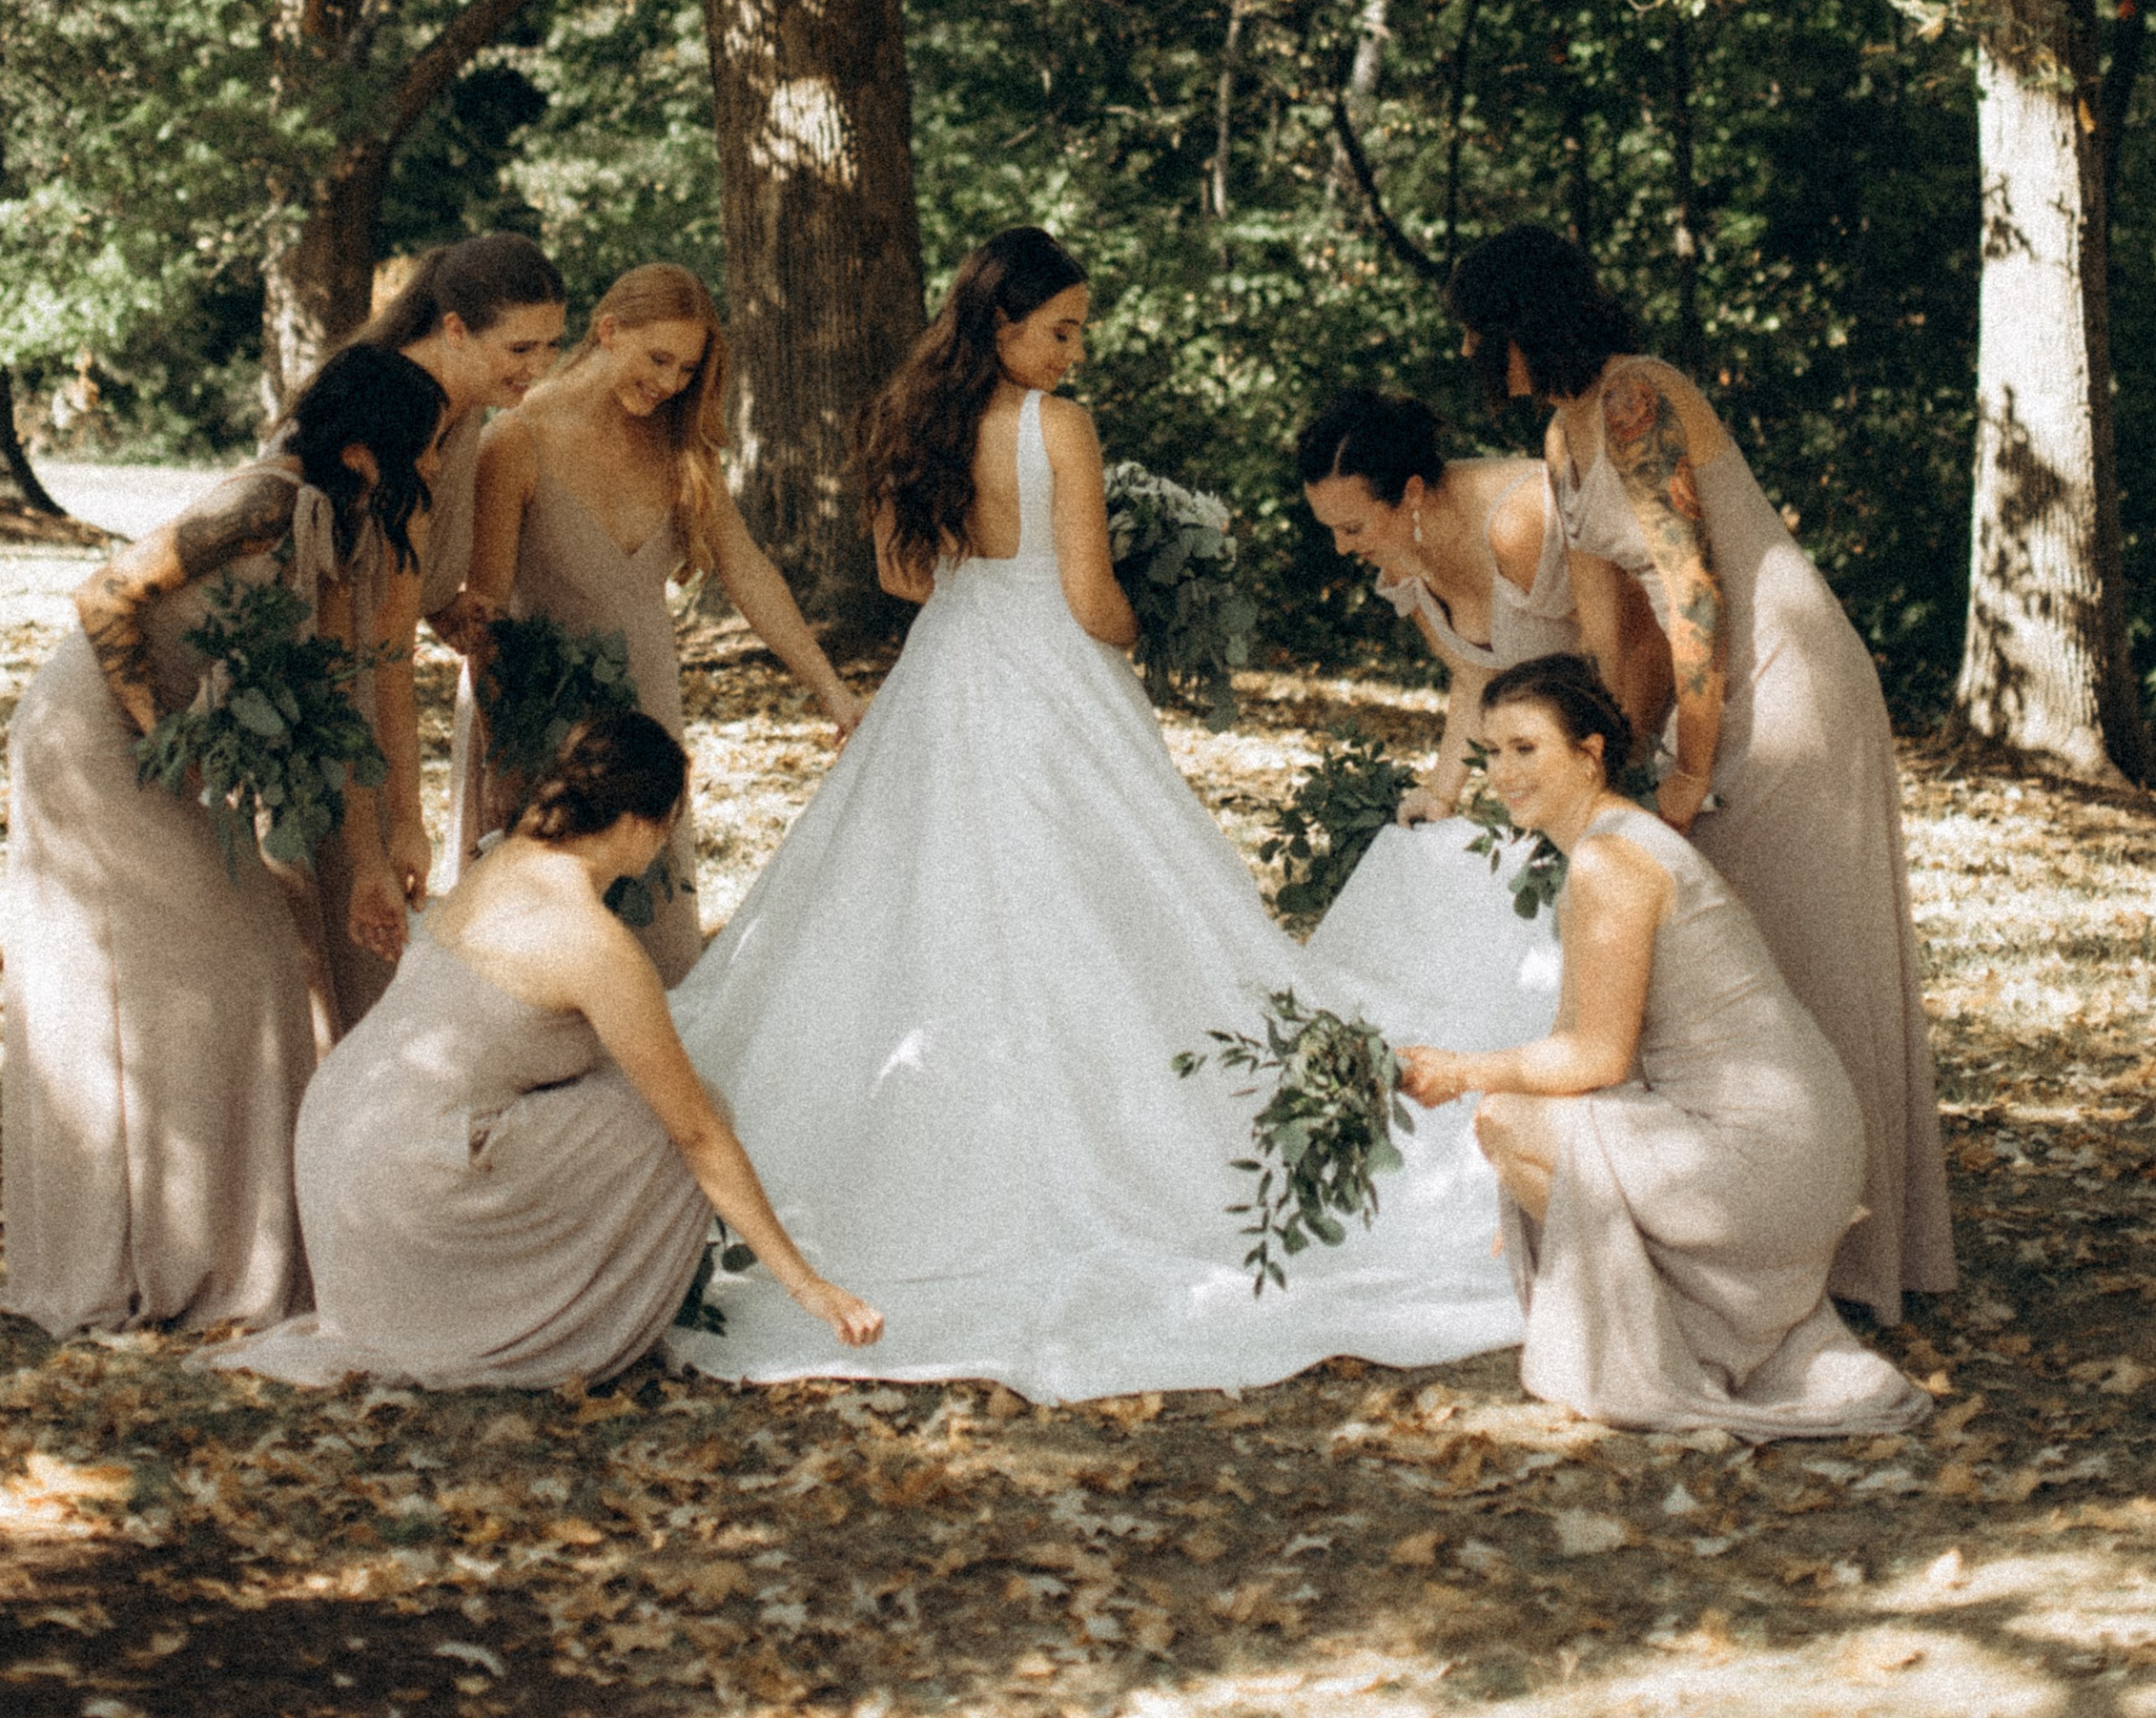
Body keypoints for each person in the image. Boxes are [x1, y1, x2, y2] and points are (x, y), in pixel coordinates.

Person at [660, 226, 1528, 1403]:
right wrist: (1144, 623)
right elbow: (1086, 595)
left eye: (1079, 328)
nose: (1074, 350)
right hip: (1050, 674)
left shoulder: (910, 418)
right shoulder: (1055, 428)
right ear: (1001, 323)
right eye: (1059, 327)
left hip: (949, 667)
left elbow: (908, 582)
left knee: (919, 903)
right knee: (1122, 900)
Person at [1445, 223, 1955, 1319]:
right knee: (1728, 959)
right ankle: (1758, 1247)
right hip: (1700, 693)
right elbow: (1608, 637)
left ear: (1525, 322)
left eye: (1483, 334)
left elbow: (1693, 593)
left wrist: (1684, 775)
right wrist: (1595, 779)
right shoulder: (1562, 436)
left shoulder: (1638, 395)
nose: (1479, 357)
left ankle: (1855, 1266)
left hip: (1784, 680)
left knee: (1814, 950)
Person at [213, 711, 881, 1389]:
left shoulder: (502, 857)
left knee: (622, 1098)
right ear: (639, 824)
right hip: (408, 1179)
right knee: (691, 1111)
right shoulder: (594, 942)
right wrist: (807, 1285)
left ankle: (499, 1289)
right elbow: (699, 1136)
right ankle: (556, 1317)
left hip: (335, 1135)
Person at [0, 344, 444, 1338]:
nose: (430, 468)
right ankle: (155, 1250)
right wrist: (165, 735)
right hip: (96, 735)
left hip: (168, 744)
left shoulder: (335, 525)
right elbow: (106, 594)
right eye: (423, 446)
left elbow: (340, 686)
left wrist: (369, 851)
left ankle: (220, 1241)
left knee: (254, 969)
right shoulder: (263, 501)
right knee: (223, 964)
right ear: (370, 443)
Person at [1399, 657, 1934, 1441]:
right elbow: (1575, 1039)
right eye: (1490, 751)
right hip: (1778, 1138)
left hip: (1772, 1154)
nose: (1501, 773)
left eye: (1525, 749)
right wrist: (1537, 1196)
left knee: (1505, 1118)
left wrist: (1461, 1070)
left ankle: (1677, 1346)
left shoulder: (1611, 858)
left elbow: (1597, 1058)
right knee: (1521, 1127)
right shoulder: (1608, 842)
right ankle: (1700, 1326)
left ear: (1588, 753)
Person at [443, 262, 864, 975]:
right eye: (658, 358)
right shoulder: (516, 440)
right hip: (531, 717)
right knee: (536, 950)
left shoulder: (681, 448)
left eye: (686, 368)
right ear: (609, 330)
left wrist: (831, 688)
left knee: (653, 943)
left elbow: (749, 571)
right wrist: (501, 758)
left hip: (646, 715)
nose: (669, 382)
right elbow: (485, 620)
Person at [301, 235, 570, 1022]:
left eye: (554, 344)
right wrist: (403, 822)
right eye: (520, 346)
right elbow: (372, 650)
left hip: (354, 689)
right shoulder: (397, 417)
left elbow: (398, 602)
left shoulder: (464, 412)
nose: (539, 366)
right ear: (453, 328)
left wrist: (442, 600)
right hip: (320, 703)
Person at [1298, 387, 1671, 819]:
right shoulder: (1398, 553)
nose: (1341, 547)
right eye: (1332, 530)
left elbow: (1642, 645)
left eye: (1353, 528)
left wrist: (1610, 784)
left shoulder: (1517, 527)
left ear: (1412, 492)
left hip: (1673, 724)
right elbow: (1477, 677)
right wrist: (1440, 794)